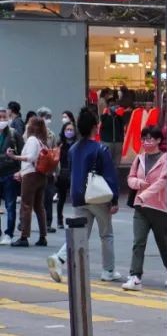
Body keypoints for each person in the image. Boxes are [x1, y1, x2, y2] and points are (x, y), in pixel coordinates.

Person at [46, 108, 121, 283]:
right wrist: (114, 199)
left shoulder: (73, 149)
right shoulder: (101, 149)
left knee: (80, 233)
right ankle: (108, 270)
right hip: (98, 197)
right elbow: (110, 175)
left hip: (78, 196)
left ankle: (59, 258)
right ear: (96, 127)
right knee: (106, 234)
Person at [122, 126, 167, 291]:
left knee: (164, 243)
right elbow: (131, 178)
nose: (146, 142)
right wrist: (139, 184)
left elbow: (163, 182)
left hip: (159, 207)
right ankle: (135, 276)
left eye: (149, 139)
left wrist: (144, 194)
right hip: (140, 208)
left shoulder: (165, 159)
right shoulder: (139, 158)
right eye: (143, 139)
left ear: (158, 140)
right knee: (138, 242)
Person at [9, 116, 49, 247]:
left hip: (30, 176)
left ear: (31, 126)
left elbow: (31, 158)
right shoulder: (42, 141)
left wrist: (15, 157)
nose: (26, 126)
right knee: (39, 206)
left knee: (26, 205)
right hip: (40, 176)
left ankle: (24, 236)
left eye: (28, 124)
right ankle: (43, 236)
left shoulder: (32, 139)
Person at [0, 107, 23, 245]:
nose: (2, 120)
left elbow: (23, 152)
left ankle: (9, 233)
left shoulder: (14, 134)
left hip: (10, 174)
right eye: (0, 117)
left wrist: (20, 171)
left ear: (9, 118)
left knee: (10, 205)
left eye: (4, 117)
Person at [37, 107, 59, 232]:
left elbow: (56, 153)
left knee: (48, 198)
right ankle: (24, 223)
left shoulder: (52, 135)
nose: (47, 120)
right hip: (35, 171)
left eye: (49, 117)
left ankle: (48, 223)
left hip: (48, 171)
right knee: (31, 198)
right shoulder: (31, 132)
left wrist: (56, 170)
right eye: (45, 117)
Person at [55, 120, 76, 229]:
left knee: (75, 197)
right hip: (63, 172)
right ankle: (59, 220)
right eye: (67, 130)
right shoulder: (60, 144)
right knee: (61, 197)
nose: (69, 132)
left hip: (74, 172)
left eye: (71, 130)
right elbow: (55, 158)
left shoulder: (77, 144)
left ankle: (76, 219)